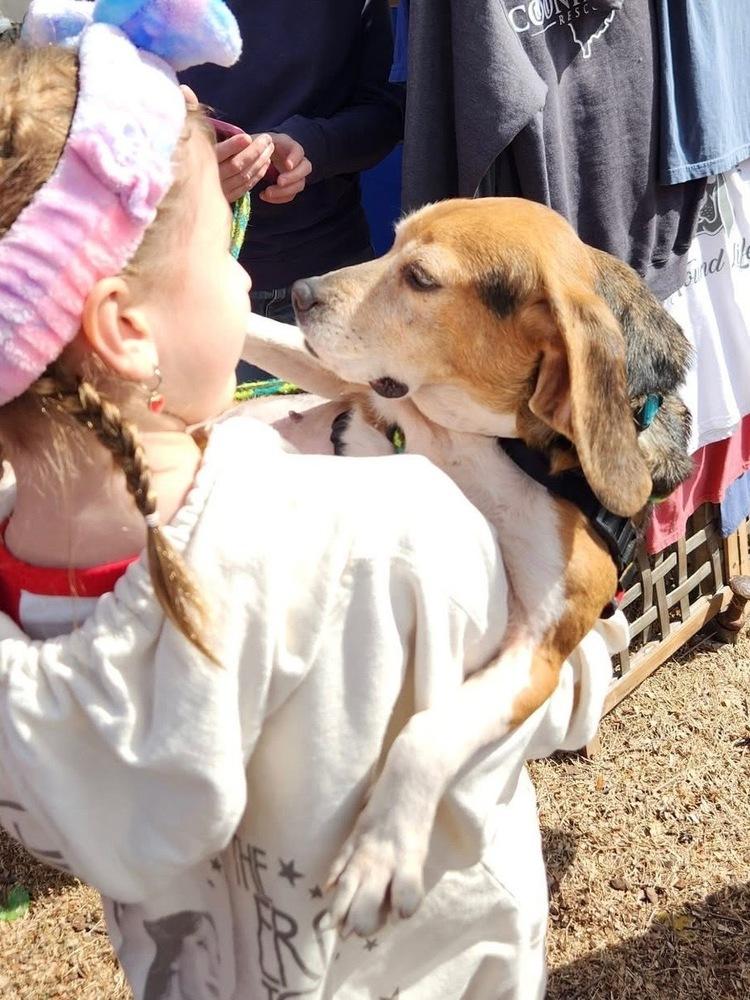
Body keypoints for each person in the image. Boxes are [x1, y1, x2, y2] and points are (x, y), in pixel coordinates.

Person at [0, 3, 626, 998]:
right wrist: (588, 640)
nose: (251, 274)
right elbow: (564, 686)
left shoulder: (28, 566)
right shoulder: (399, 531)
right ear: (122, 327)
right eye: (228, 246)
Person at [180, 0, 403, 329]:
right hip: (176, 276)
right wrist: (185, 169)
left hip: (328, 273)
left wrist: (312, 146)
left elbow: (387, 109)